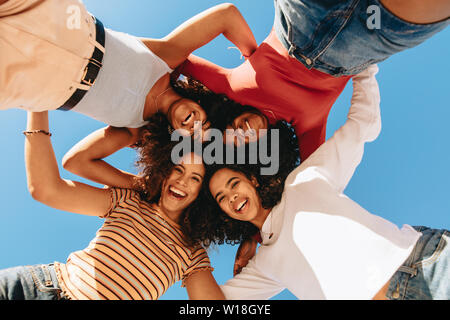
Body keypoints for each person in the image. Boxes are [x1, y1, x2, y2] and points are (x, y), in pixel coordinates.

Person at [204, 64, 450, 299]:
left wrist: (365, 67)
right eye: (222, 198)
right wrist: (190, 257)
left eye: (233, 184)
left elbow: (363, 125)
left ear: (253, 180)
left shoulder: (301, 182)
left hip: (424, 266)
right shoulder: (264, 265)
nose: (231, 196)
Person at [0, 0, 257, 185]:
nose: (197, 126)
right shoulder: (166, 58)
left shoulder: (136, 128)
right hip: (71, 29)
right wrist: (256, 64)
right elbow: (227, 15)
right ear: (206, 104)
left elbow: (76, 162)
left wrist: (142, 186)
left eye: (194, 137)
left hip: (42, 83)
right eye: (208, 122)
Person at [177, 0, 449, 161]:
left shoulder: (230, 86)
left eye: (229, 131)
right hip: (369, 36)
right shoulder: (305, 130)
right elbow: (304, 193)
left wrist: (156, 109)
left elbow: (170, 58)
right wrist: (258, 231)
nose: (240, 132)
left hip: (302, 17)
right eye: (240, 143)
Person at [0, 111, 224, 300]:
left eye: (195, 178)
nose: (182, 181)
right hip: (37, 287)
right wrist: (38, 106)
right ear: (163, 170)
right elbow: (48, 187)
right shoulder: (129, 200)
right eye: (177, 169)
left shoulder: (191, 252)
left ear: (203, 193)